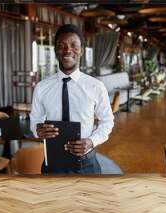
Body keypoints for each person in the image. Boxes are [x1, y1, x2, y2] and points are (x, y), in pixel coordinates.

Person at [30, 24, 114, 174]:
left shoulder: (96, 86)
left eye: (74, 45)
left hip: (86, 164)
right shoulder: (41, 87)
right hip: (52, 163)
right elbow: (34, 121)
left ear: (81, 50)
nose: (67, 50)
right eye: (61, 45)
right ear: (56, 51)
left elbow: (107, 122)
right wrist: (38, 130)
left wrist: (91, 141)